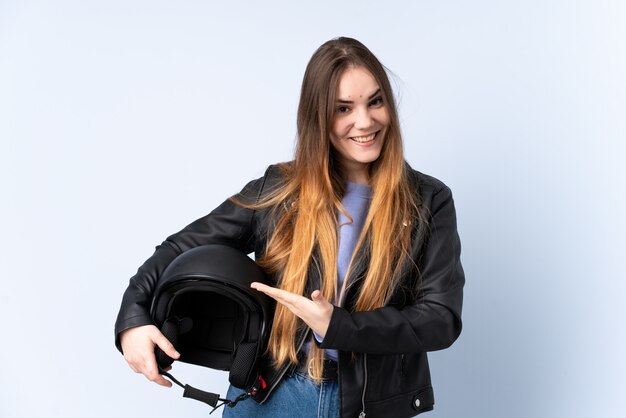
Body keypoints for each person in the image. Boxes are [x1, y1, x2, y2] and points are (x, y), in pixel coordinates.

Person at [115, 37, 464, 418]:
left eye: (375, 101)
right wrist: (133, 319)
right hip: (267, 397)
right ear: (318, 117)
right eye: (343, 108)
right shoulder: (280, 189)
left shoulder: (428, 200)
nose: (365, 121)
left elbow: (440, 319)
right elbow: (179, 248)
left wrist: (340, 326)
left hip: (364, 404)